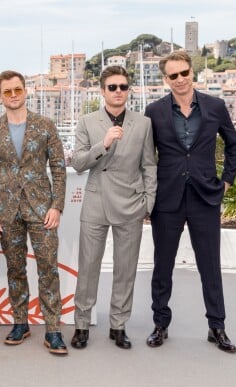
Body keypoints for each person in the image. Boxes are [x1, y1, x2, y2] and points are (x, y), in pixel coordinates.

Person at [145, 51, 236, 353]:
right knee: (162, 265)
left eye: (184, 72)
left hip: (205, 197)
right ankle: (160, 324)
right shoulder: (154, 111)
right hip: (167, 198)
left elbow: (233, 143)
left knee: (210, 266)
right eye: (173, 75)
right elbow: (146, 157)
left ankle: (217, 326)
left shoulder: (215, 106)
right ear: (166, 80)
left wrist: (227, 180)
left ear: (191, 72)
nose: (180, 79)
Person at [0, 70, 68, 355]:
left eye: (18, 90)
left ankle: (52, 328)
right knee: (15, 269)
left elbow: (59, 168)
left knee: (48, 268)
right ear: (0, 96)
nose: (14, 95)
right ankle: (21, 322)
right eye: (8, 92)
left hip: (42, 209)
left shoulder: (46, 125)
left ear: (25, 91)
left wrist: (57, 205)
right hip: (5, 210)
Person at [70, 66, 157, 350]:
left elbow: (149, 165)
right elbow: (79, 163)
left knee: (125, 269)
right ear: (102, 91)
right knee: (88, 266)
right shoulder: (87, 122)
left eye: (122, 86)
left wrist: (148, 202)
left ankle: (118, 325)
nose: (118, 91)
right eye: (112, 87)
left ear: (128, 90)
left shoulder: (142, 124)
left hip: (131, 203)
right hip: (95, 202)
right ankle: (81, 324)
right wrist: (103, 144)